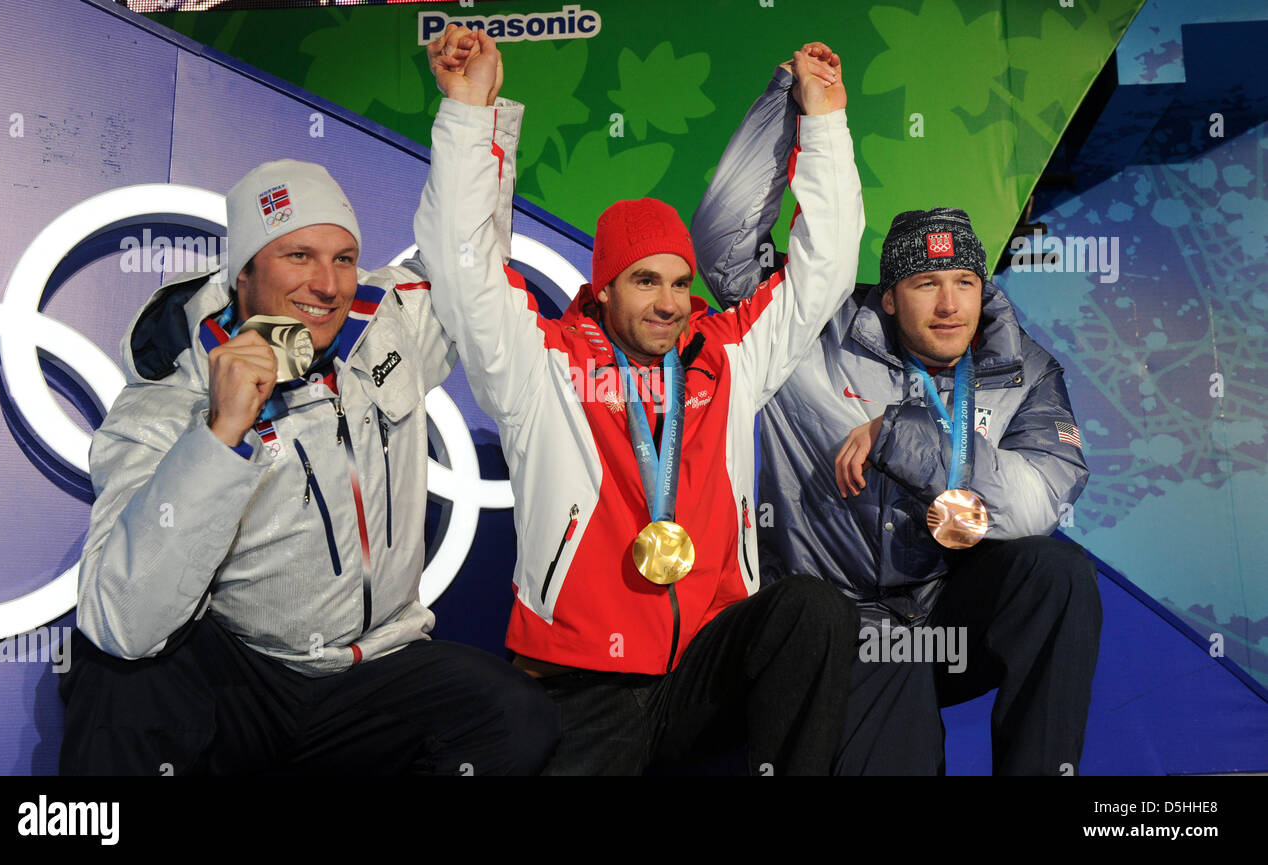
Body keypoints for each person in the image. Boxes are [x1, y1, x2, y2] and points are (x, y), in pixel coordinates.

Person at [416, 30, 865, 775]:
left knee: (813, 611)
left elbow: (825, 269)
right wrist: (470, 115)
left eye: (680, 281)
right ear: (604, 288)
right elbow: (463, 267)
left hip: (702, 673)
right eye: (645, 281)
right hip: (582, 681)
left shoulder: (727, 356)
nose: (669, 303)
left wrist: (823, 125)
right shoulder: (543, 361)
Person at [61, 131, 559, 773]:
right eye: (299, 256)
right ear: (242, 274)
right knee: (116, 679)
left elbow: (469, 262)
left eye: (345, 258)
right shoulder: (166, 404)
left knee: (513, 718)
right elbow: (119, 618)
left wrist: (470, 114)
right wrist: (219, 438)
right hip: (248, 679)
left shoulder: (390, 326)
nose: (328, 285)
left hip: (374, 670)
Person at [691, 65, 1102, 775]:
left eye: (965, 283)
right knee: (891, 671)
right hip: (836, 624)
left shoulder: (1026, 371)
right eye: (925, 284)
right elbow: (726, 250)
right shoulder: (810, 333)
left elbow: (1037, 500)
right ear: (887, 297)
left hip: (947, 615)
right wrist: (798, 110)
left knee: (1059, 572)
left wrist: (909, 436)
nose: (950, 305)